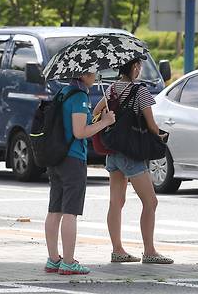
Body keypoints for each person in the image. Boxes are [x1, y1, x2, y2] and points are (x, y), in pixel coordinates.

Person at [93, 57, 174, 265]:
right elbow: (152, 124)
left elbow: (95, 113)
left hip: (113, 152)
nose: (140, 70)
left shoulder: (111, 89)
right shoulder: (141, 92)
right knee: (150, 201)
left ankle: (117, 250)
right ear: (134, 67)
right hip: (131, 154)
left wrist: (108, 118)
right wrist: (161, 136)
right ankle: (149, 251)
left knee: (116, 202)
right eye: (139, 66)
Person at [44, 72, 116, 276]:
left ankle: (53, 259)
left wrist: (98, 119)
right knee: (70, 211)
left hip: (56, 157)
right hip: (72, 158)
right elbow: (79, 132)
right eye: (93, 71)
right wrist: (105, 122)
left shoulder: (63, 92)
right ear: (83, 74)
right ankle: (68, 261)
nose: (95, 75)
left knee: (54, 209)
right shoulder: (79, 96)